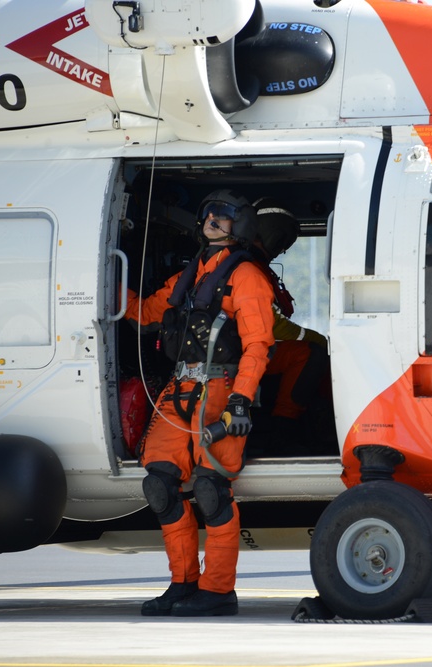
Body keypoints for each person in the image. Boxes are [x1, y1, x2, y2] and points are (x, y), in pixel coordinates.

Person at [125, 190, 275, 616]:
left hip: (223, 393)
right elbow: (146, 310)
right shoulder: (189, 276)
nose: (212, 219)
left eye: (223, 215)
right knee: (158, 484)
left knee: (211, 491)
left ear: (240, 225)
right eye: (208, 212)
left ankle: (217, 591)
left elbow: (258, 344)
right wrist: (98, 291)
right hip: (181, 391)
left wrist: (242, 402)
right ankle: (183, 582)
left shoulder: (246, 277)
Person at [247, 198, 332, 456]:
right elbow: (271, 324)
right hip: (244, 352)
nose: (282, 249)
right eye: (282, 242)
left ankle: (317, 427)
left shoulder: (255, 267)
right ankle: (283, 431)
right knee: (309, 352)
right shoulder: (248, 269)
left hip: (252, 347)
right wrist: (316, 338)